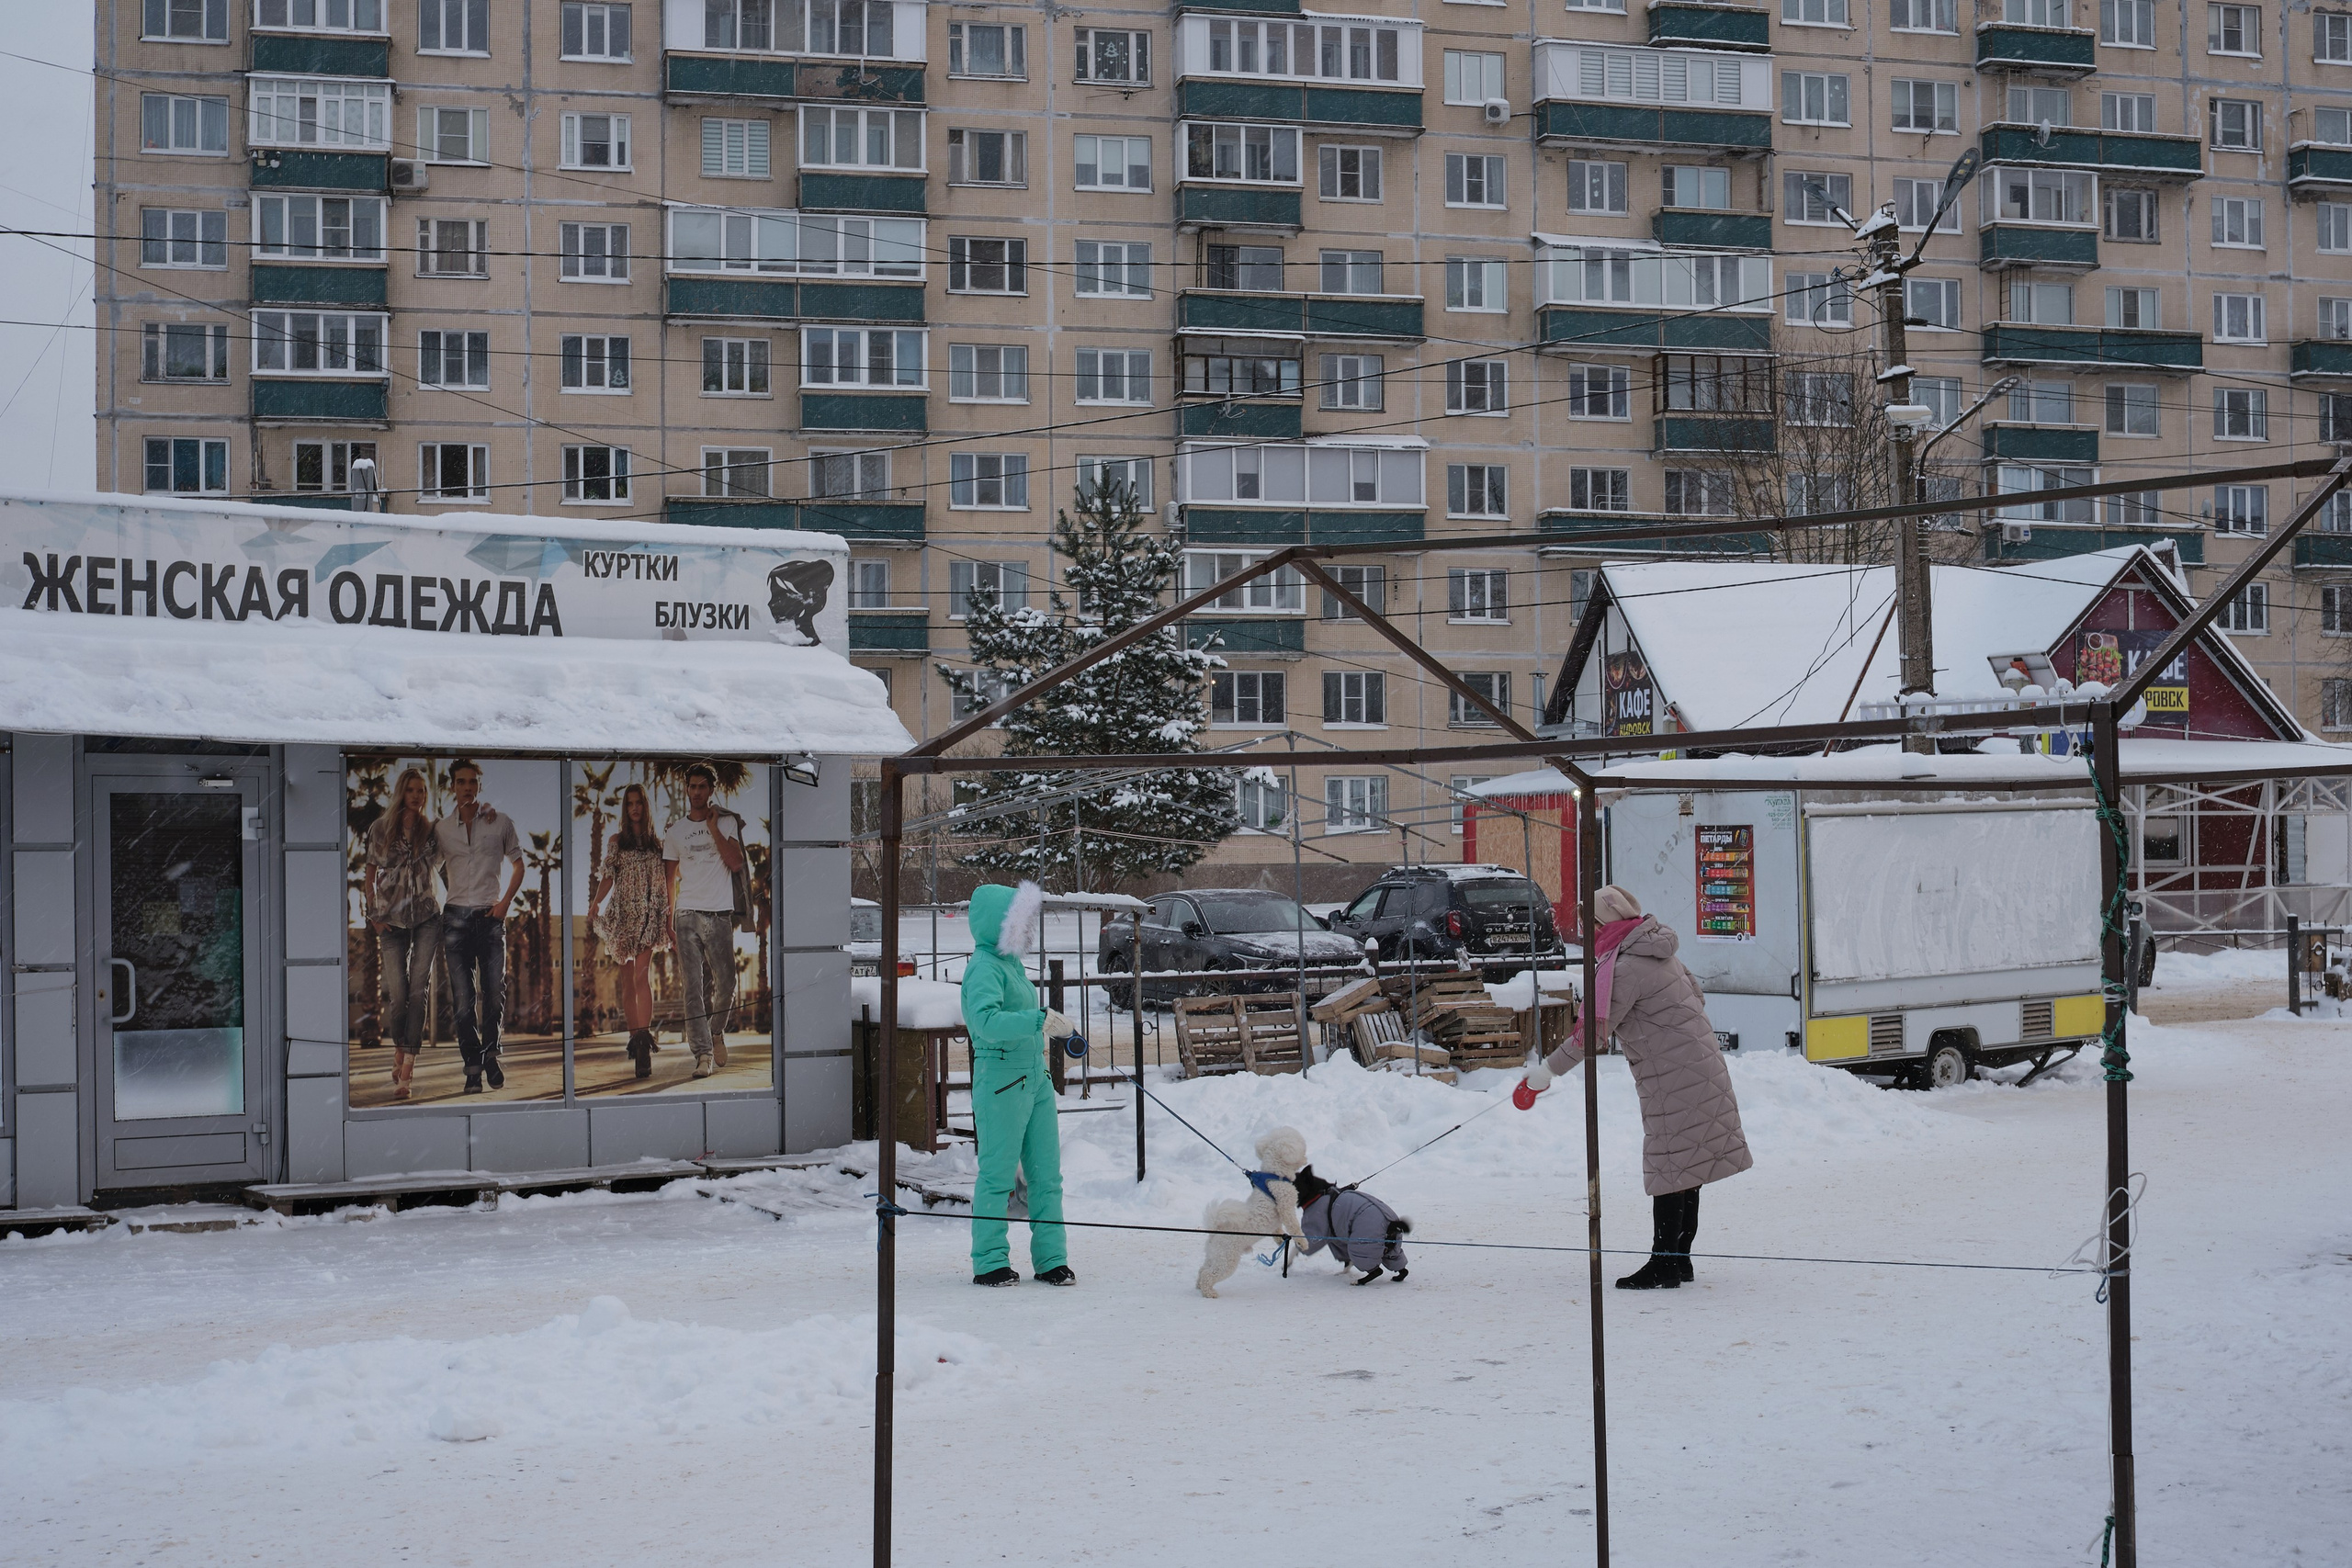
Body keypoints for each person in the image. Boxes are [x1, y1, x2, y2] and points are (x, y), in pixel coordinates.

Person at [1518, 884, 1752, 1290]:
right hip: (1698, 1068)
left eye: (1588, 924)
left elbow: (1590, 1036)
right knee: (1685, 1165)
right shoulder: (1658, 952)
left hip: (1674, 1077)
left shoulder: (1623, 968)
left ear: (1602, 924)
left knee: (1670, 1167)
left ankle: (1664, 1265)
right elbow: (1697, 997)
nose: (1585, 933)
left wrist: (1543, 1075)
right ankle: (1679, 1260)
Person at [960, 881, 1072, 1288]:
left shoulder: (1010, 965)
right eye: (1021, 922)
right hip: (1002, 1080)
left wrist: (1045, 1021)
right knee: (997, 1175)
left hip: (1035, 1077)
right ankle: (989, 1261)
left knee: (1047, 1175)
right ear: (1000, 923)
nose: (1028, 931)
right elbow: (985, 1024)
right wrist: (1036, 1020)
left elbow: (1022, 1016)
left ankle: (1051, 1259)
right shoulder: (983, 968)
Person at [435, 759, 524, 1095]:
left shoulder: (499, 822)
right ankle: (473, 1067)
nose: (467, 787)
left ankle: (489, 1056)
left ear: (479, 786)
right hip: (455, 919)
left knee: (495, 994)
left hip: (490, 918)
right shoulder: (442, 830)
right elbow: (428, 865)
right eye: (461, 782)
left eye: (472, 782)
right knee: (462, 1000)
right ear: (453, 787)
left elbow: (519, 866)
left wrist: (504, 904)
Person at [662, 763, 745, 1079]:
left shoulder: (725, 822)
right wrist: (668, 921)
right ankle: (702, 1054)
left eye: (702, 787)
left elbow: (736, 862)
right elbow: (669, 880)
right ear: (687, 790)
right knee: (692, 988)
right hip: (686, 915)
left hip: (719, 913)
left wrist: (712, 830)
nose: (696, 792)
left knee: (727, 985)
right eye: (692, 787)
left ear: (711, 790)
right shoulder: (674, 832)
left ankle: (716, 1031)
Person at [364, 766, 441, 1101]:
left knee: (418, 990)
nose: (417, 796)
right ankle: (400, 1049)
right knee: (398, 994)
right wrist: (373, 914)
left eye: (422, 790)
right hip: (391, 920)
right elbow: (369, 871)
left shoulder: (431, 831)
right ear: (401, 792)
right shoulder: (381, 828)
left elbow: (448, 865)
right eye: (412, 790)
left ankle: (407, 1065)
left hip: (426, 916)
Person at [592, 783, 671, 1079]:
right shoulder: (616, 841)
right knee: (627, 983)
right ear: (625, 809)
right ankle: (637, 1042)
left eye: (639, 803)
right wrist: (596, 903)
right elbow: (608, 877)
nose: (634, 808)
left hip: (648, 915)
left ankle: (644, 1040)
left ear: (645, 807)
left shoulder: (657, 845)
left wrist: (664, 916)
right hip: (623, 916)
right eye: (630, 804)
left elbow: (664, 883)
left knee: (641, 975)